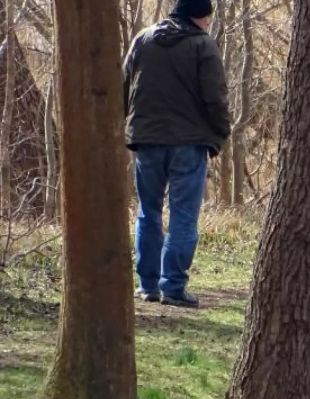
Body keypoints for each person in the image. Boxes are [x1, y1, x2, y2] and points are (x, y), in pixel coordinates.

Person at [123, 0, 230, 308]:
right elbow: (216, 97)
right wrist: (221, 132)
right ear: (201, 16)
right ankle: (173, 286)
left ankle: (148, 285)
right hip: (189, 142)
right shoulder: (203, 45)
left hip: (147, 140)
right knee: (184, 214)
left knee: (148, 210)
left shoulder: (143, 38)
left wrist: (127, 124)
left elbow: (124, 83)